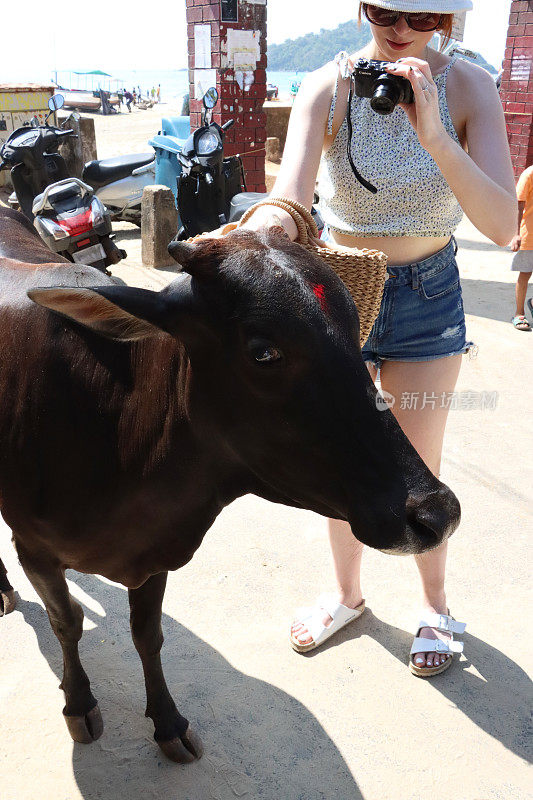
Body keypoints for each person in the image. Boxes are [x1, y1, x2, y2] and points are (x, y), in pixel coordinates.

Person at [242, 0, 516, 676]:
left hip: (428, 293)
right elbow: (291, 191)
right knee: (341, 457)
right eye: (384, 11)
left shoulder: (470, 86)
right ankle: (346, 595)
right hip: (338, 292)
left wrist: (436, 136)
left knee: (418, 462)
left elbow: (504, 225)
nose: (400, 29)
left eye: (422, 17)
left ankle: (434, 605)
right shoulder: (328, 83)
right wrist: (254, 232)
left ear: (447, 20)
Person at [509, 164, 533, 331]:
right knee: (524, 274)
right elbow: (518, 205)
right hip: (530, 235)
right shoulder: (529, 174)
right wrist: (515, 233)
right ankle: (519, 313)